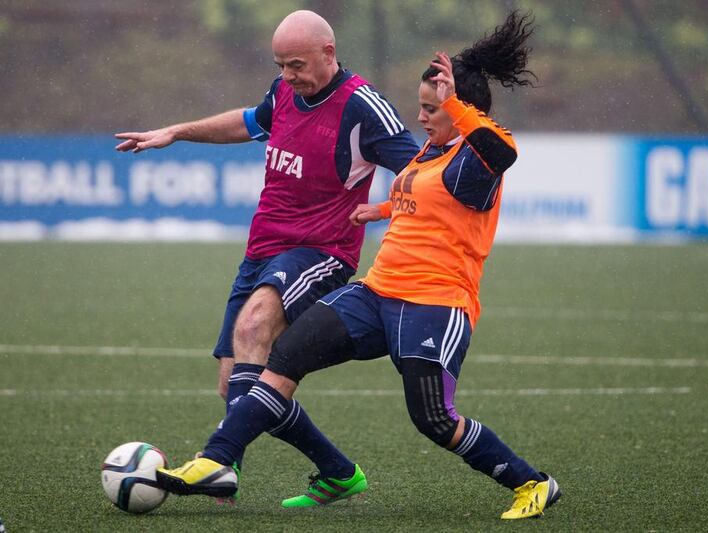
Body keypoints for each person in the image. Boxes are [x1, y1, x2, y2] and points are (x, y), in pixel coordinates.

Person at [156, 11, 560, 521]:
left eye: (433, 110)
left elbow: (502, 153)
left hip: (435, 303)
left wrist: (456, 105)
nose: (422, 118)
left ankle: (533, 483)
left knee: (434, 419)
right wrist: (385, 208)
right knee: (284, 356)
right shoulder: (430, 154)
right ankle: (215, 460)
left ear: (460, 111)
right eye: (423, 107)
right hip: (377, 293)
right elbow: (430, 205)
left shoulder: (478, 157)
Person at [115, 11, 419, 416]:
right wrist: (176, 132)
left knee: (253, 324)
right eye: (281, 66)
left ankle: (220, 464)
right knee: (235, 386)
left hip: (320, 251)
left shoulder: (363, 107)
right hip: (261, 251)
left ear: (328, 53)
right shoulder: (283, 92)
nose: (288, 75)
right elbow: (247, 123)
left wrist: (385, 211)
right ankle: (339, 473)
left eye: (297, 65)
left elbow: (423, 174)